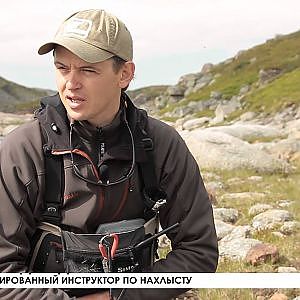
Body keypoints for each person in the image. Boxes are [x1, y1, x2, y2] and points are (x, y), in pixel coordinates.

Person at [0, 8, 218, 300]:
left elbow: (198, 251)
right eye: (62, 68)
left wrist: (119, 296)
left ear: (124, 74)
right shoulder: (22, 150)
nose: (70, 83)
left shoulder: (162, 145)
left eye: (87, 70)